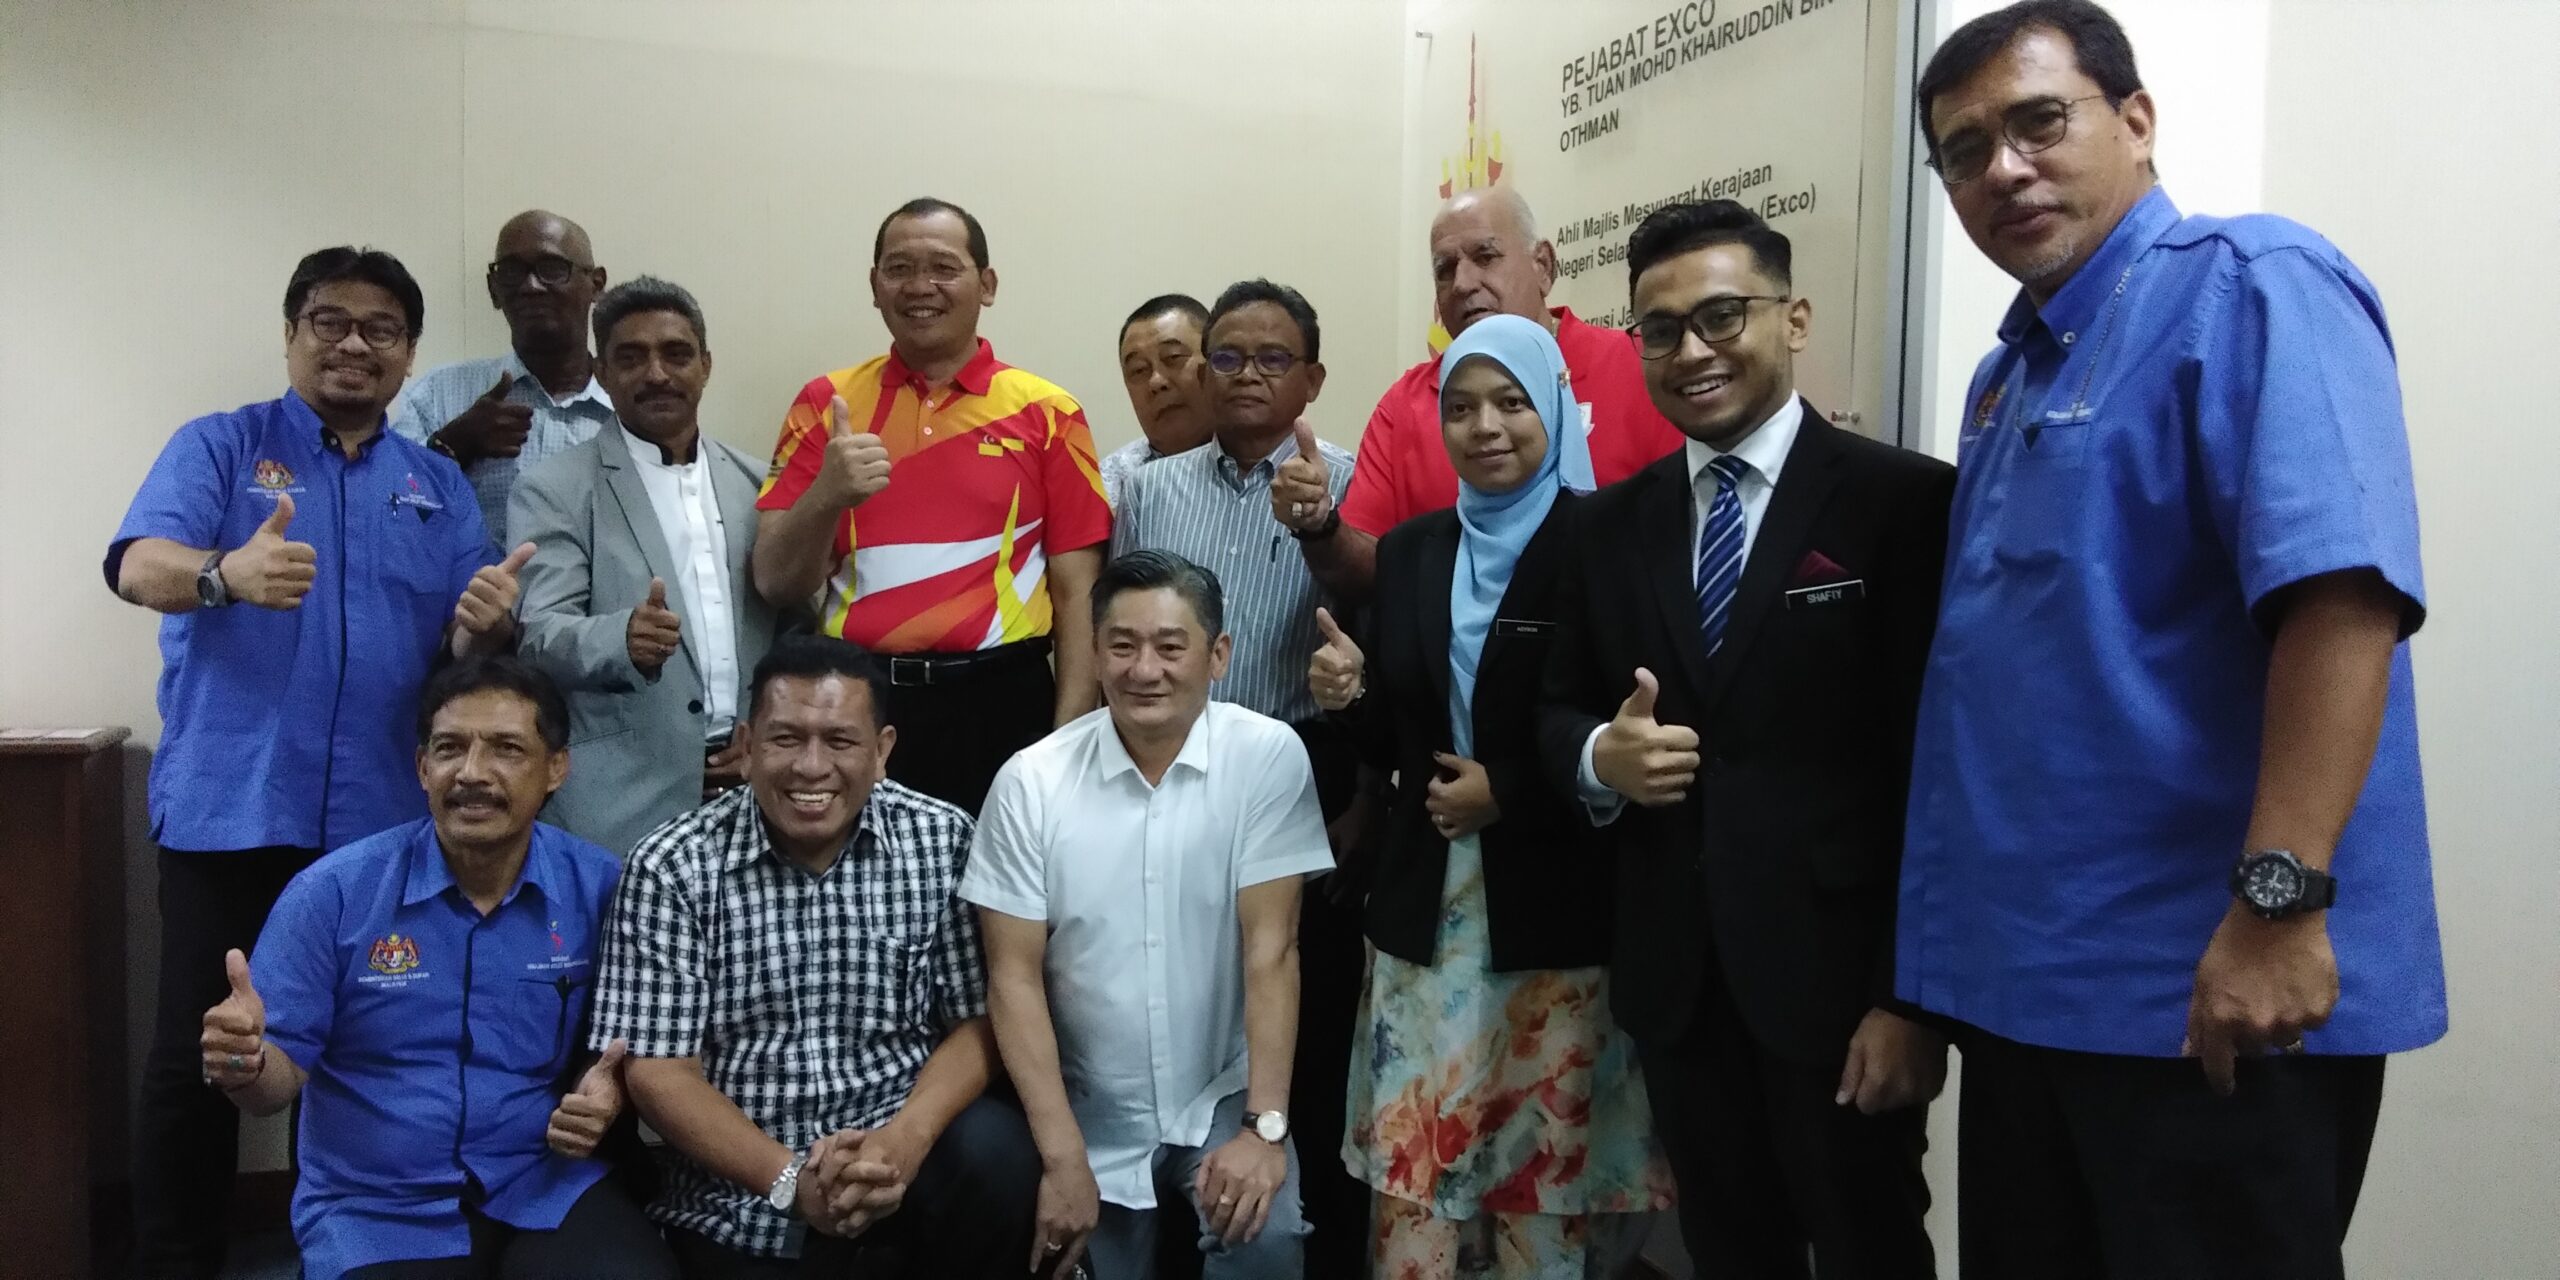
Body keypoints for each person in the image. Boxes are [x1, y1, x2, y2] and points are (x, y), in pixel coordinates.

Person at [1901, 4, 2441, 1276]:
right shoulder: (2006, 374)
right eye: (1965, 151)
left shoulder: (2252, 283)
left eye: (2039, 121)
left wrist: (2276, 909)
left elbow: (2342, 601)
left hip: (2208, 996)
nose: (2004, 169)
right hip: (2032, 994)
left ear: (2136, 120)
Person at [1536, 201, 1955, 1277]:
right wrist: (1597, 757)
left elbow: (1938, 770)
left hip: (1843, 993)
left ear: (1793, 318)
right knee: (1727, 1251)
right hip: (1678, 983)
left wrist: (1908, 999)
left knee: (1869, 1247)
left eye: (1721, 316)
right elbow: (1550, 708)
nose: (1691, 351)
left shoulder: (1904, 503)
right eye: (1661, 329)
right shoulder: (1603, 525)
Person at [105, 245, 535, 1280]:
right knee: (202, 1058)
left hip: (378, 827)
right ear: (293, 334)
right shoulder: (220, 445)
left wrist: (485, 626)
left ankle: (338, 1258)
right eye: (330, 322)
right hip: (233, 811)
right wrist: (226, 572)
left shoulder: (434, 483)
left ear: (409, 354)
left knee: (350, 1057)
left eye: (381, 329)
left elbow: (454, 654)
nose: (354, 345)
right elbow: (136, 564)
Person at [1308, 313, 1673, 1274]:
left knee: (1540, 1196)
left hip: (1554, 914)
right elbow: (1400, 738)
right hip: (1424, 911)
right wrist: (1352, 699)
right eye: (1461, 408)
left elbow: (1617, 726)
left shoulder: (1608, 540)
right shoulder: (1415, 551)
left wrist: (1506, 791)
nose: (1486, 427)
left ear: (1554, 404)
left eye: (1511, 402)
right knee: (1412, 1195)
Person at [197, 657, 677, 1280]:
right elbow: (271, 1088)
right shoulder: (333, 895)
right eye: (450, 748)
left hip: (545, 1184)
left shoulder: (602, 888)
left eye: (506, 749)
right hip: (377, 1207)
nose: (472, 772)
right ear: (423, 768)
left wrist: (607, 1090)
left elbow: (626, 1046)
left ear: (557, 768)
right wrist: (244, 1062)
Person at [588, 634, 1044, 1278]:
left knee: (999, 1154)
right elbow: (659, 1070)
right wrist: (791, 1180)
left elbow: (976, 1021)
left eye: (840, 741)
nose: (811, 766)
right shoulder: (671, 865)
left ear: (881, 751)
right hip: (740, 1195)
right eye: (785, 739)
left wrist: (903, 1142)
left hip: (903, 1159)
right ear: (746, 746)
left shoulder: (941, 839)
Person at [967, 550, 1334, 1279]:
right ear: (1093, 652)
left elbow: (1273, 950)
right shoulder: (1031, 782)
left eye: (1171, 647)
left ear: (1218, 655)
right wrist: (1062, 1157)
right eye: (1122, 646)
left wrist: (1264, 1131)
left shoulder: (1266, 758)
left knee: (1265, 1239)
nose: (1145, 670)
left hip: (1221, 1093)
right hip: (1088, 1107)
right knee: (1063, 1255)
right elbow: (1013, 978)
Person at [1108, 278, 1370, 1271]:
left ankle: (1297, 1222)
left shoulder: (1349, 478)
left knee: (1306, 1001)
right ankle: (1183, 1216)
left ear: (1312, 377)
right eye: (1226, 356)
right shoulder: (1148, 487)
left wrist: (1366, 796)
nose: (1247, 375)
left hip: (1306, 768)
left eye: (1272, 358)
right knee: (1180, 995)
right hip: (1167, 769)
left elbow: (1385, 631)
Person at [750, 197, 1110, 813]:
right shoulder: (826, 402)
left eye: (943, 267)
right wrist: (827, 496)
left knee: (1002, 876)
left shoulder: (1049, 412)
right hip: (860, 701)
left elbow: (1079, 593)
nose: (920, 287)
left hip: (1002, 698)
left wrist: (1069, 740)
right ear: (874, 285)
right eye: (899, 269)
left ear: (986, 284)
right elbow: (775, 582)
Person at [1272, 185, 1685, 602]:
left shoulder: (1640, 365)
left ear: (1543, 266)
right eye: (1445, 269)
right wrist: (1320, 524)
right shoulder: (1404, 405)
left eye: (1485, 257)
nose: (1463, 284)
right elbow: (1374, 571)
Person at [512, 276, 778, 854]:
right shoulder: (556, 487)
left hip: (753, 791)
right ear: (602, 373)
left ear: (706, 365)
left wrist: (766, 734)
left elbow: (795, 630)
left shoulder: (757, 482)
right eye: (631, 358)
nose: (656, 374)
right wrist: (621, 638)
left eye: (676, 354)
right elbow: (537, 635)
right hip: (622, 800)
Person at [391, 210, 618, 538]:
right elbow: (389, 513)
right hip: (469, 574)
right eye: (511, 271)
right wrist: (451, 446)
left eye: (552, 269)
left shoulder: (629, 408)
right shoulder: (437, 394)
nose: (531, 286)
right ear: (494, 289)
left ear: (596, 285)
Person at [1100, 293, 1213, 506]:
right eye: (1138, 370)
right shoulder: (1108, 489)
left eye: (1173, 357)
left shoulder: (1265, 461)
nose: (1156, 381)